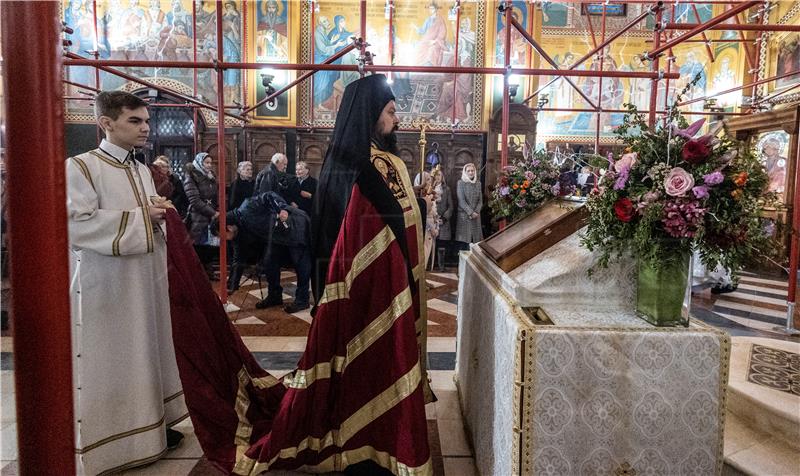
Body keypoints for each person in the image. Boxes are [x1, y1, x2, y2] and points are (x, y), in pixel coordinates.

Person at [65, 91, 186, 475]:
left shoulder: (139, 168)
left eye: (147, 121)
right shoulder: (81, 168)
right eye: (135, 121)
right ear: (106, 123)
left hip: (145, 280)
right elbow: (76, 226)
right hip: (107, 285)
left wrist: (160, 214)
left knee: (147, 350)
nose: (145, 128)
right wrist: (141, 216)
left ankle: (153, 430)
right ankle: (115, 443)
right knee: (115, 358)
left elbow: (149, 217)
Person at [224, 192, 312, 313]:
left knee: (301, 263)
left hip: (294, 223)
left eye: (223, 236)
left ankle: (302, 300)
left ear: (228, 227)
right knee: (270, 262)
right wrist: (232, 286)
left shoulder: (247, 207)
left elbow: (268, 195)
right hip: (277, 235)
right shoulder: (239, 232)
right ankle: (274, 296)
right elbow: (238, 259)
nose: (225, 239)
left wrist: (281, 209)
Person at [183, 152, 219, 278]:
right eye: (206, 162)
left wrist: (217, 210)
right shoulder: (191, 176)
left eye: (210, 163)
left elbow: (216, 195)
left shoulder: (211, 176)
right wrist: (213, 212)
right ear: (199, 162)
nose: (209, 165)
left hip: (211, 217)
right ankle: (198, 274)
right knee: (198, 246)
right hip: (198, 217)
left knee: (210, 246)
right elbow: (194, 200)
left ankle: (207, 272)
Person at [455, 162, 483, 247]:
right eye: (469, 171)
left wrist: (476, 212)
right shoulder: (460, 183)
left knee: (476, 242)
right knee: (464, 242)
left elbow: (480, 201)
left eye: (472, 171)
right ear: (465, 172)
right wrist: (471, 212)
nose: (471, 172)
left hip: (476, 216)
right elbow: (461, 201)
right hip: (464, 216)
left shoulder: (478, 183)